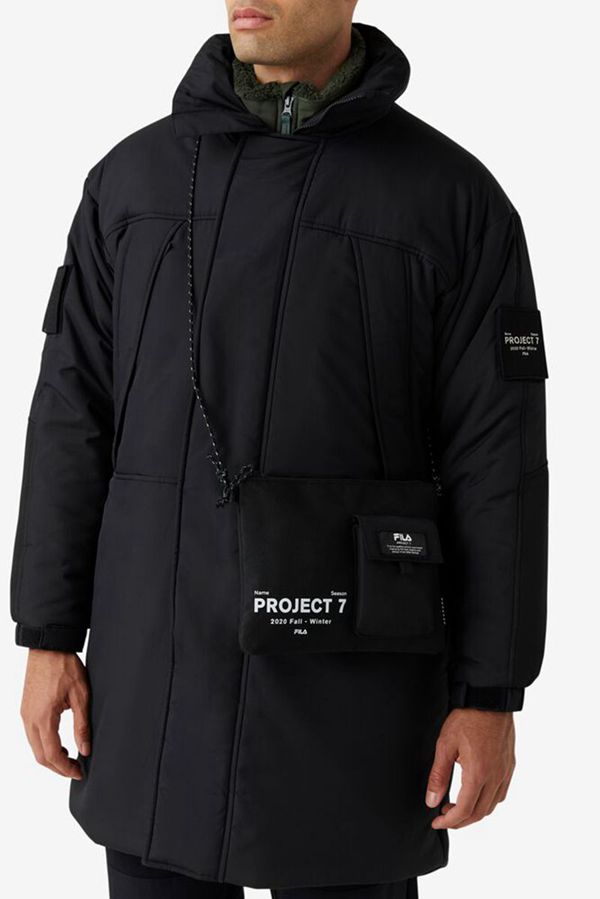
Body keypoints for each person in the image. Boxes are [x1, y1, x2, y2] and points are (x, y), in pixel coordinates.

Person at [11, 2, 549, 898]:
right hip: (156, 680)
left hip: (356, 700)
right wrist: (47, 633)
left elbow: (501, 463)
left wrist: (490, 690)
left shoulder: (452, 200)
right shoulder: (130, 184)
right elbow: (70, 416)